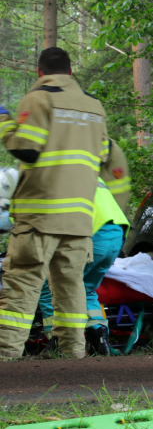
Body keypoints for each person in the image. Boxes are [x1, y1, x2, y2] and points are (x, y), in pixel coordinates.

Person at [0, 47, 109, 358]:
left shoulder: (38, 99)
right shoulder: (94, 107)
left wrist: (5, 123)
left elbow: (26, 149)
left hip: (40, 214)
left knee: (22, 286)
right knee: (71, 288)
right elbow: (101, 157)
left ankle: (5, 359)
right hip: (79, 219)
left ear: (39, 72)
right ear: (70, 72)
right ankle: (73, 355)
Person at [38, 140, 130, 355]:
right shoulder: (87, 174)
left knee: (49, 286)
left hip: (94, 236)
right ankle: (101, 342)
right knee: (86, 288)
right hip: (115, 236)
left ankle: (57, 340)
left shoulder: (55, 177)